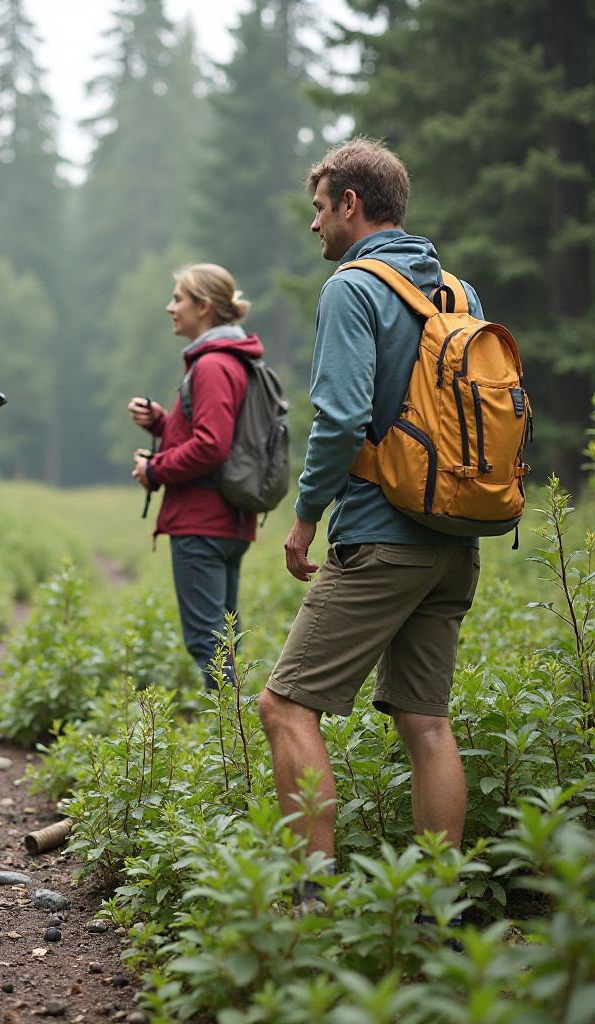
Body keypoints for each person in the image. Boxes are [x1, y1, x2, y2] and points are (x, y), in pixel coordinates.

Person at [257, 138, 483, 898]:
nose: (315, 227)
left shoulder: (353, 289)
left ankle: (308, 899)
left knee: (285, 706)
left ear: (351, 205)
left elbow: (342, 417)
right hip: (455, 539)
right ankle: (432, 906)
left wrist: (304, 518)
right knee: (427, 724)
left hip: (381, 536)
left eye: (320, 210)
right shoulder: (457, 291)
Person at [128, 263, 264, 689]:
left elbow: (211, 445)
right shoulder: (232, 360)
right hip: (228, 521)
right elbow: (213, 434)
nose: (171, 307)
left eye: (178, 299)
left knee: (208, 645)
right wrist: (161, 424)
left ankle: (230, 744)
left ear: (203, 307)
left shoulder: (211, 366)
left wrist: (155, 468)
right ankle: (235, 740)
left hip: (201, 523)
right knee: (222, 641)